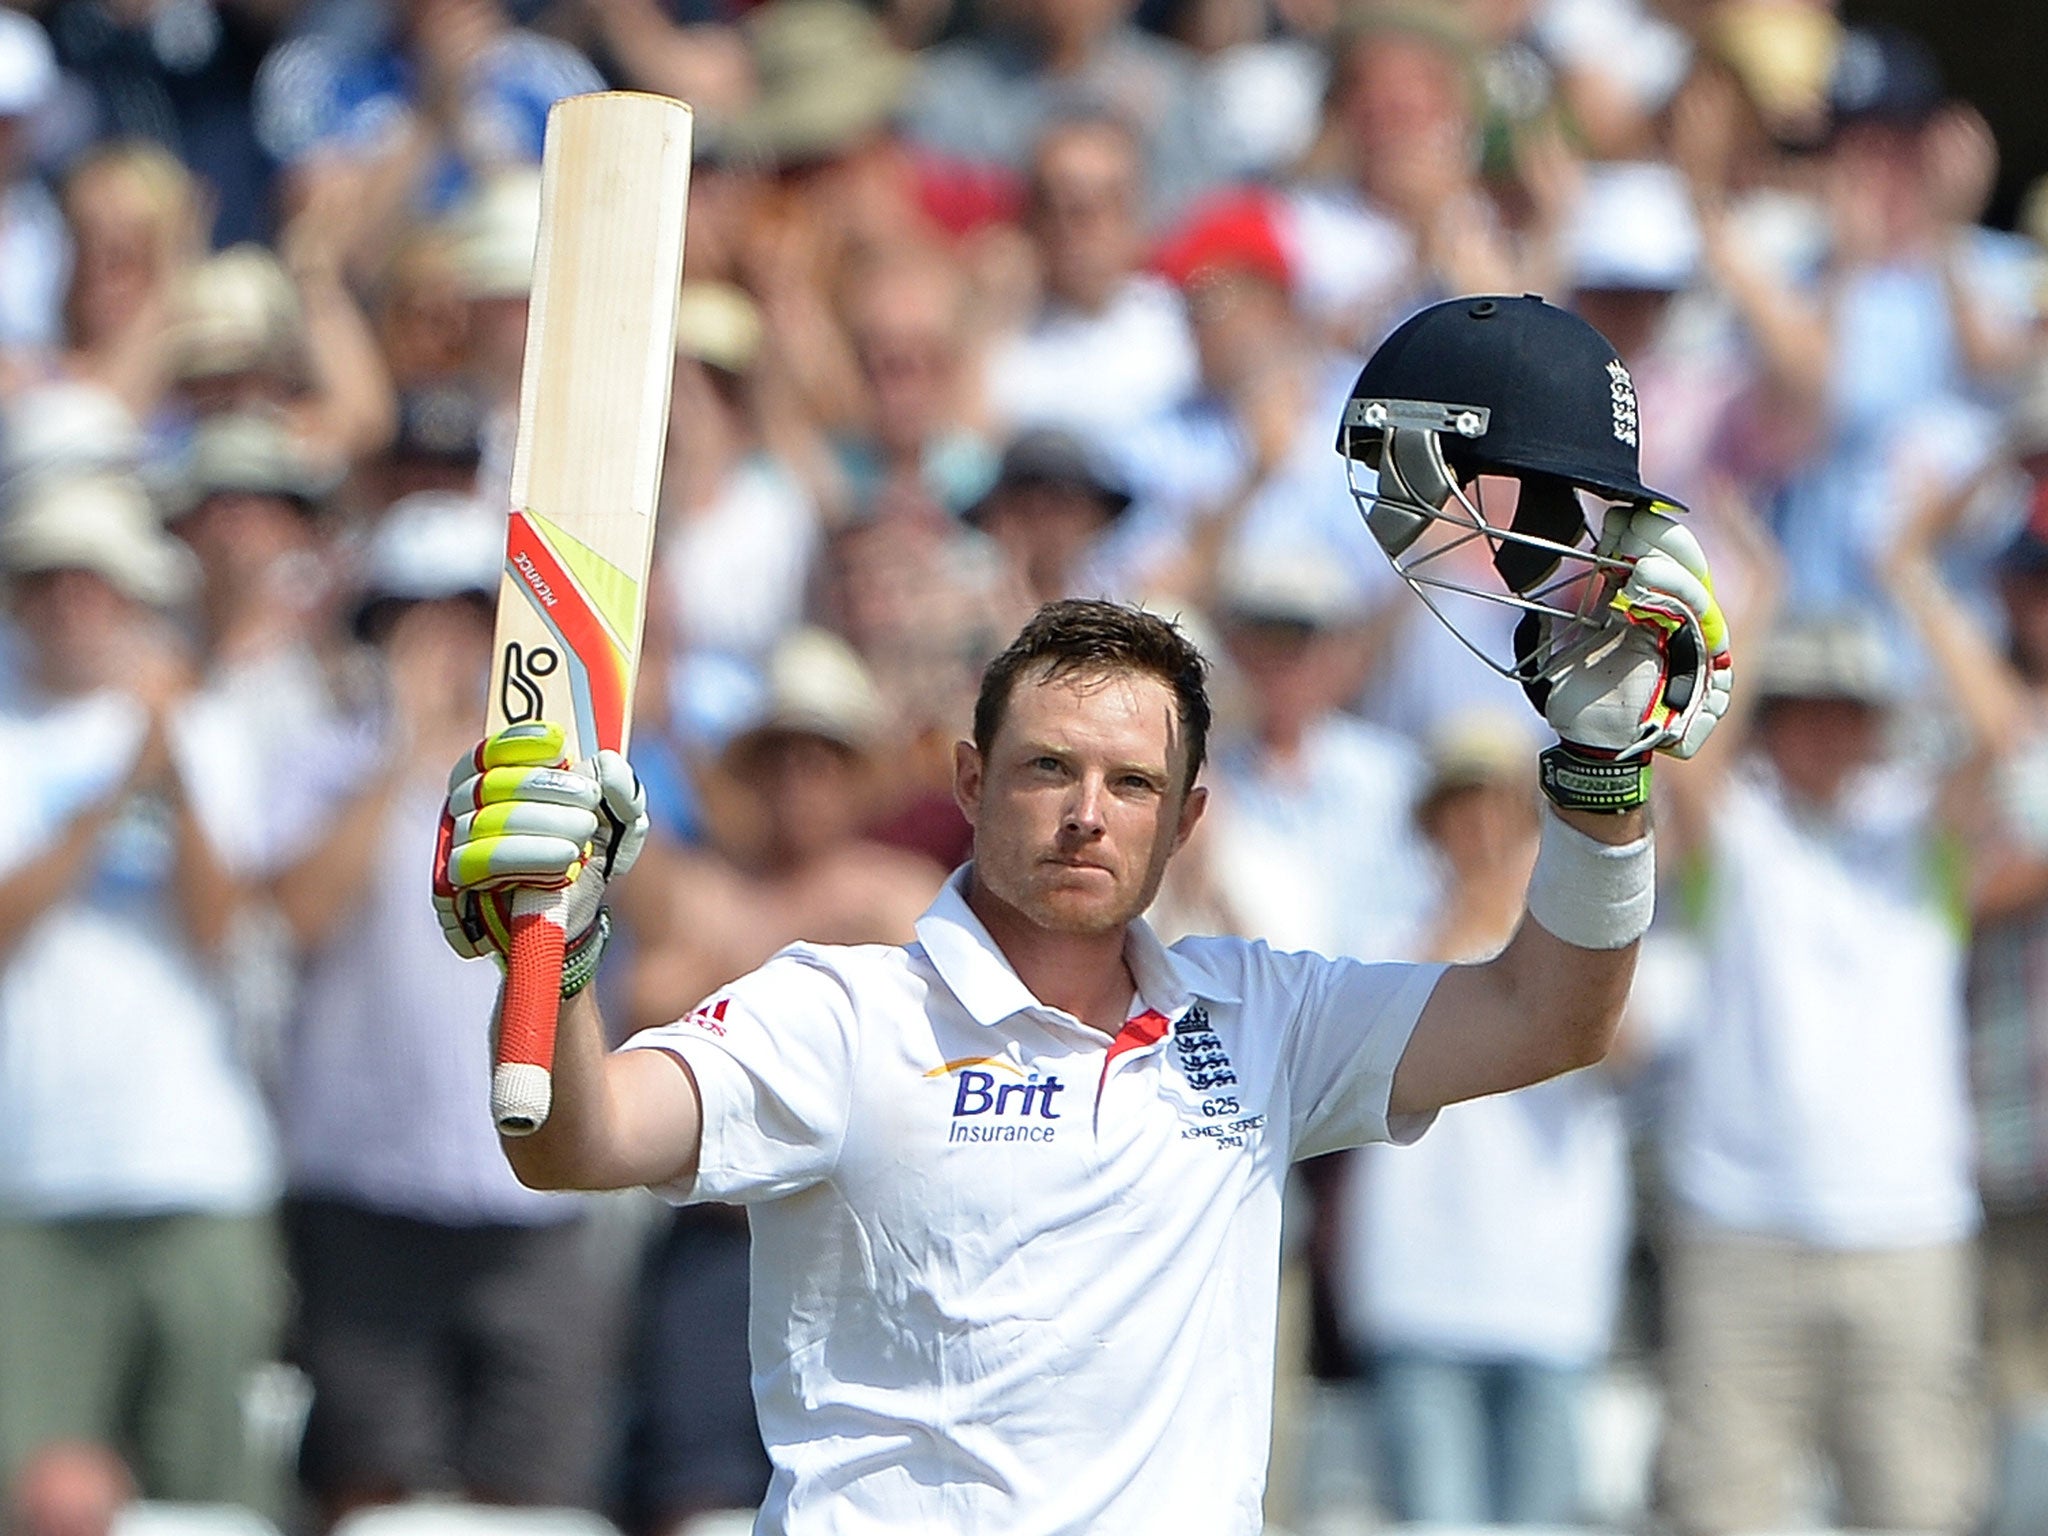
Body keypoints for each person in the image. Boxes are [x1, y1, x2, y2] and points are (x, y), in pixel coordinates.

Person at [432, 295, 1729, 1533]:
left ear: (1188, 819)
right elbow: (575, 1139)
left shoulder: (1264, 1018)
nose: (1086, 815)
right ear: (970, 781)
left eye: (1133, 784)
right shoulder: (844, 1012)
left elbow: (1549, 1013)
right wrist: (558, 952)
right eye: (1049, 768)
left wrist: (1603, 786)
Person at [267, 493, 617, 1524]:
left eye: (464, 616)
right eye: (408, 617)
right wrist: (398, 751)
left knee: (531, 1492)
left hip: (533, 1187)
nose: (439, 644)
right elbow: (298, 917)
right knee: (371, 1489)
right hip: (366, 1184)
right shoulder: (324, 760)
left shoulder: (560, 771)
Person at [1649, 612, 1984, 1535]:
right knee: (1719, 1513)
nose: (1828, 731)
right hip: (1739, 1230)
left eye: (1850, 711)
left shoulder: (1923, 839)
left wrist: (1911, 580)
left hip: (1910, 1233)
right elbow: (1684, 762)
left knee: (1921, 1512)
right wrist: (1753, 609)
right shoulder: (1740, 836)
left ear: (1879, 726)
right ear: (1768, 722)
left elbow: (2002, 736)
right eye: (1803, 710)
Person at [0, 472, 281, 1503]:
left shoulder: (204, 728)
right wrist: (120, 781)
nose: (71, 602)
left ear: (132, 594)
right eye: (47, 579)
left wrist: (171, 765)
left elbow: (217, 927)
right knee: (29, 1493)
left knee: (207, 1498)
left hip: (194, 1167)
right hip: (30, 1176)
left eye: (94, 580)